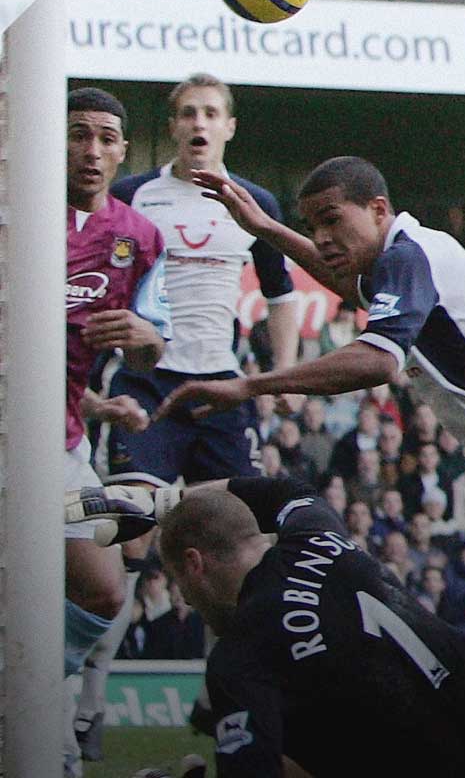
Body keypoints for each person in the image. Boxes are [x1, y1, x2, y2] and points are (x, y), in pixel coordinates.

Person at [159, 160, 465, 692]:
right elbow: (341, 274)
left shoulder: (408, 260)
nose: (323, 238)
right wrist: (266, 229)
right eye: (314, 225)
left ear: (378, 209)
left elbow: (378, 361)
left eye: (333, 220)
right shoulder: (412, 253)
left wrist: (251, 385)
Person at [71, 476, 465, 777]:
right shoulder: (319, 531)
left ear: (194, 566)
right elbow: (284, 489)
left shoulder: (243, 653)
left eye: (180, 585)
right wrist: (168, 500)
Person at [85, 74, 303, 757]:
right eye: (187, 114)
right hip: (149, 390)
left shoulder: (254, 203)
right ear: (173, 128)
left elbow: (281, 294)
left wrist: (280, 379)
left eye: (211, 113)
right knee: (126, 537)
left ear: (229, 127)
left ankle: (225, 697)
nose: (198, 124)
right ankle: (89, 701)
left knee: (234, 553)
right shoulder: (134, 195)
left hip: (221, 395)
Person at [61, 87, 171, 778]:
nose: (92, 149)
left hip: (64, 439)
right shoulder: (20, 215)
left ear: (124, 151)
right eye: (78, 134)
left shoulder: (140, 237)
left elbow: (149, 350)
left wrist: (142, 338)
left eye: (105, 137)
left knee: (106, 584)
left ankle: (44, 686)